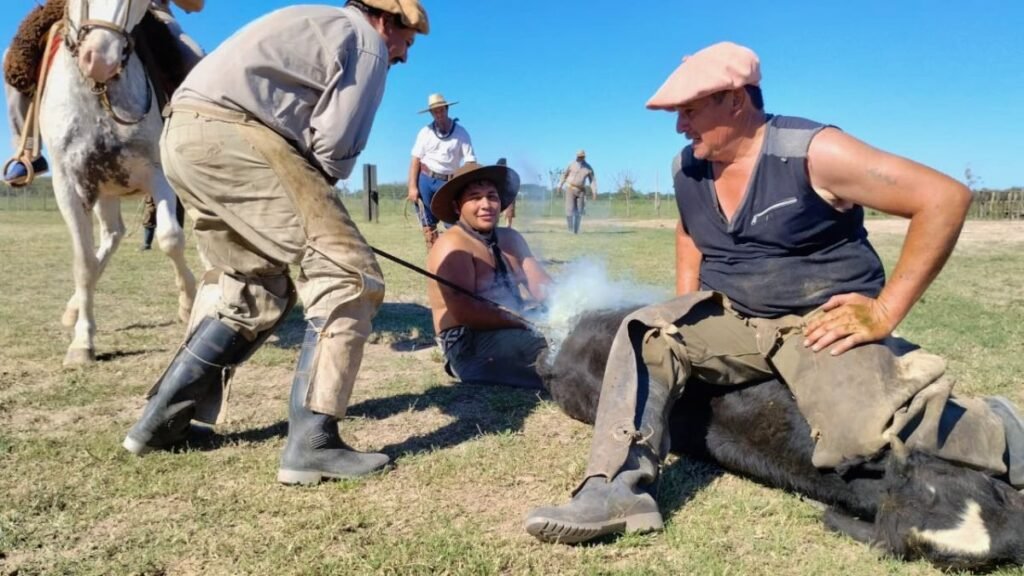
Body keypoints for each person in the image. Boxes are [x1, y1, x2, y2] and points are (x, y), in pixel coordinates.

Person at [525, 41, 1024, 544]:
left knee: (860, 435)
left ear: (736, 101)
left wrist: (884, 311)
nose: (680, 126)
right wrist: (681, 305)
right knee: (643, 332)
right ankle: (614, 490)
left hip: (818, 318)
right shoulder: (688, 168)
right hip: (734, 316)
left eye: (691, 111)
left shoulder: (812, 152)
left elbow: (942, 198)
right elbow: (688, 231)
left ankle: (1001, 430)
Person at [121, 1, 429, 487]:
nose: (404, 56)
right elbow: (333, 147)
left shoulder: (309, 18)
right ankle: (313, 444)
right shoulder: (365, 42)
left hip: (184, 136)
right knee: (347, 275)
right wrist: (323, 217)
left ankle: (159, 423)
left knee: (255, 287)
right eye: (406, 43)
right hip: (236, 136)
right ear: (386, 20)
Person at [2, 0, 206, 186]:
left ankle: (196, 147)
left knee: (194, 59)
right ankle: (27, 151)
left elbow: (195, 5)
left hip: (147, 13)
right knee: (14, 57)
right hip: (82, 7)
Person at [426, 162, 551, 389]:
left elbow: (543, 287)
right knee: (551, 346)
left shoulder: (511, 238)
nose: (486, 205)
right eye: (475, 197)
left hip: (518, 324)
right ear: (457, 207)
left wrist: (574, 305)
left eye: (492, 196)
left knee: (584, 331)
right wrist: (530, 322)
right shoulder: (452, 245)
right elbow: (466, 312)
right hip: (468, 342)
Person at [407, 93, 476, 248]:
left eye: (441, 110)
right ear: (431, 114)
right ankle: (433, 259)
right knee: (428, 224)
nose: (439, 114)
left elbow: (470, 160)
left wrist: (470, 186)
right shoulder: (425, 132)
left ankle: (455, 255)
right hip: (425, 179)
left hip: (449, 182)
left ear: (447, 109)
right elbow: (415, 160)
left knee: (453, 223)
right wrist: (412, 187)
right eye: (435, 111)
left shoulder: (461, 133)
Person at [557, 150, 597, 234]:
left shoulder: (588, 168)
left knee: (579, 210)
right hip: (570, 188)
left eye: (581, 156)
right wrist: (560, 185)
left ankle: (576, 230)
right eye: (578, 156)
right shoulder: (571, 164)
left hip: (581, 190)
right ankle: (570, 228)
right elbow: (564, 175)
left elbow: (592, 180)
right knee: (570, 209)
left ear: (584, 157)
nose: (579, 158)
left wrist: (594, 192)